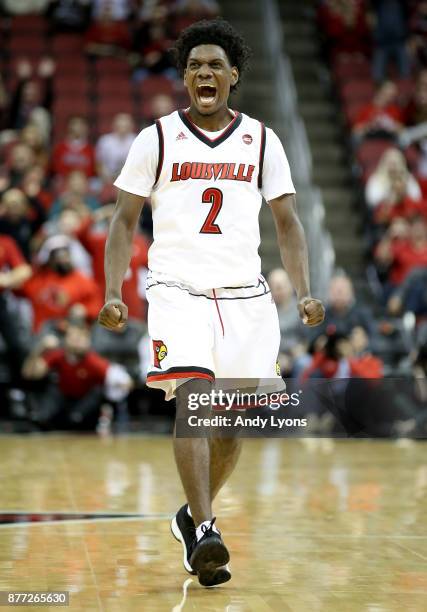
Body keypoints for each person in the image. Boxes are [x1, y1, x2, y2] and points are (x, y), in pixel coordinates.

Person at [98, 19, 325, 588]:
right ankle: (204, 528)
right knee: (194, 399)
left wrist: (303, 290)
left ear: (234, 77)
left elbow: (289, 222)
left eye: (215, 65)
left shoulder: (264, 140)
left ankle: (189, 516)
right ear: (184, 77)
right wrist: (113, 291)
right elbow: (124, 221)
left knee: (231, 423)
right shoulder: (154, 138)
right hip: (177, 290)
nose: (205, 72)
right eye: (195, 65)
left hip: (246, 294)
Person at [95, 114, 137, 181]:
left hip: (131, 178)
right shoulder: (105, 140)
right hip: (108, 177)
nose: (123, 129)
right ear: (114, 126)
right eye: (120, 126)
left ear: (131, 126)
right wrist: (106, 177)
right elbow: (99, 163)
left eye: (125, 126)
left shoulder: (136, 140)